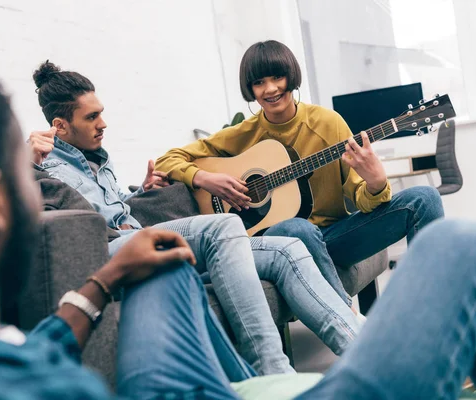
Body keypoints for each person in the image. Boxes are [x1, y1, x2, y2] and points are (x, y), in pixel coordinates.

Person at [0, 39, 476, 400]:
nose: (271, 94)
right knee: (457, 244)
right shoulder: (44, 388)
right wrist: (200, 176)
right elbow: (175, 161)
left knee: (167, 265)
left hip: (141, 264)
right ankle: (311, 371)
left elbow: (38, 348)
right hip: (248, 234)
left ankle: (273, 373)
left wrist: (102, 281)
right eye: (22, 172)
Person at [28, 61, 365, 371]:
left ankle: (362, 353)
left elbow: (112, 207)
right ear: (60, 125)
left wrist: (139, 192)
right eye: (91, 118)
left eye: (100, 113)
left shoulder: (97, 158)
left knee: (286, 250)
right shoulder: (44, 165)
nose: (103, 123)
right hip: (112, 253)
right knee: (224, 226)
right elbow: (35, 217)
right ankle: (272, 370)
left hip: (139, 237)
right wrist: (27, 163)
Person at [155, 40, 445, 308]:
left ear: (290, 77)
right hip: (282, 242)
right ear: (250, 89)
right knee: (296, 228)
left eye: (277, 78)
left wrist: (376, 182)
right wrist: (206, 179)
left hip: (335, 237)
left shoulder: (328, 124)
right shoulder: (243, 134)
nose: (270, 89)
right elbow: (167, 160)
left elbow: (362, 199)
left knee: (425, 198)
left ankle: (435, 309)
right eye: (259, 82)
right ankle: (348, 322)